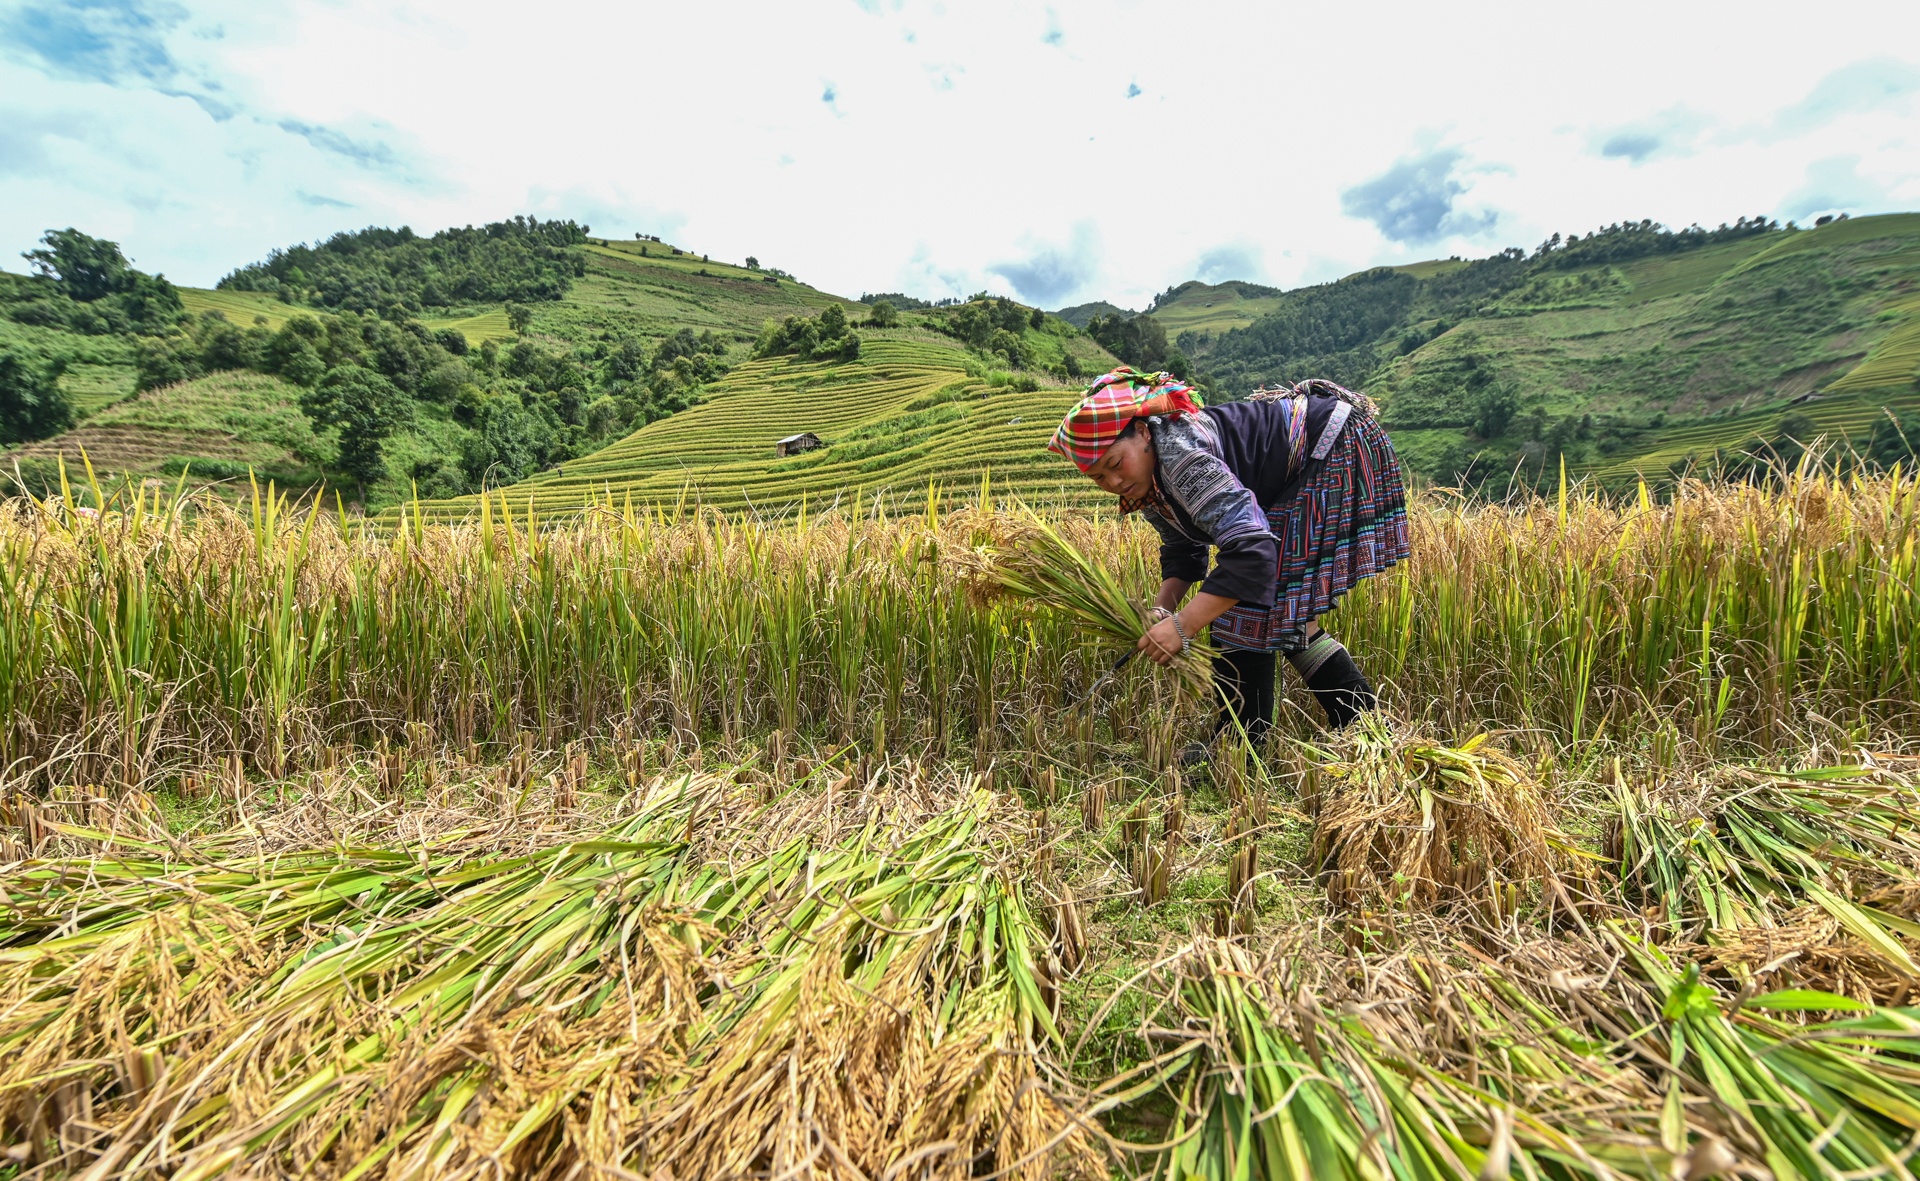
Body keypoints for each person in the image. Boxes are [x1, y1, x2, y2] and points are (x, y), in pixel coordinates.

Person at [1047, 366, 1410, 748]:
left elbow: (1251, 552)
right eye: (1099, 478)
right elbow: (1184, 550)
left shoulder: (1180, 458)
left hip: (1332, 446)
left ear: (1143, 432)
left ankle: (1242, 743)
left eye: (1116, 464)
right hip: (1316, 454)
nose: (1115, 482)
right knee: (1277, 614)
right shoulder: (1147, 485)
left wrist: (1183, 626)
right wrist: (1162, 609)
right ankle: (1366, 730)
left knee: (1244, 613)